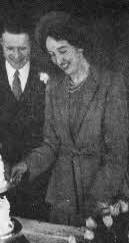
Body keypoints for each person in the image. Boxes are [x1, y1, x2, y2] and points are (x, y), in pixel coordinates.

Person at [10, 11, 129, 225]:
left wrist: (96, 199)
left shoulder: (111, 84)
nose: (58, 60)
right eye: (52, 54)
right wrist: (27, 165)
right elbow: (51, 144)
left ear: (79, 46)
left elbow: (117, 155)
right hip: (62, 200)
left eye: (62, 51)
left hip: (102, 199)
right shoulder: (54, 87)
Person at [0, 12, 52, 220]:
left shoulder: (50, 76)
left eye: (23, 48)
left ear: (32, 43)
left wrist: (29, 164)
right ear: (0, 42)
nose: (16, 55)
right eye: (9, 48)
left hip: (39, 184)